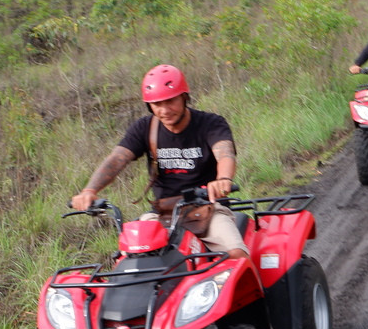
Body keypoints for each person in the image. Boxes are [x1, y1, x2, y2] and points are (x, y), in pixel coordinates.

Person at [70, 64, 248, 258]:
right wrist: (90, 191)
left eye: (170, 101)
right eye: (157, 104)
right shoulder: (144, 128)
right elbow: (117, 159)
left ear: (184, 97)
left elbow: (225, 153)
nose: (164, 110)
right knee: (127, 261)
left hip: (210, 209)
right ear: (149, 105)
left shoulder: (210, 123)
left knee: (236, 254)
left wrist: (223, 179)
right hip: (162, 215)